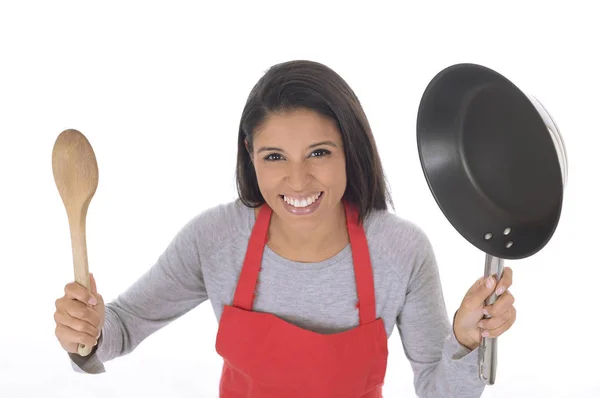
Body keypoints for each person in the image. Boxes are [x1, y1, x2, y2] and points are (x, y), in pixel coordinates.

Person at [53, 60, 516, 397]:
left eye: (319, 153)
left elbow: (438, 390)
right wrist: (87, 331)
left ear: (349, 152)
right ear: (250, 156)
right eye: (274, 157)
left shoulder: (398, 250)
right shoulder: (215, 240)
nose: (297, 180)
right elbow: (123, 327)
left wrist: (464, 339)